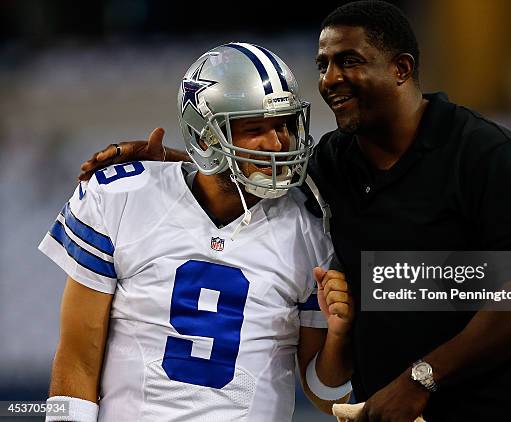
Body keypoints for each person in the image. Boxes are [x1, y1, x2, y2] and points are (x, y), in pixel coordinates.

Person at [79, 2, 511, 421]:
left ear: (400, 69)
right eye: (323, 64)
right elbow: (258, 163)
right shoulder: (335, 160)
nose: (330, 79)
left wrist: (421, 378)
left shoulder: (488, 155)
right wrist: (178, 158)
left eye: (349, 61)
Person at [40, 43, 355, 422]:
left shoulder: (310, 230)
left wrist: (338, 334)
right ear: (205, 136)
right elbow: (77, 359)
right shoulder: (120, 198)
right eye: (255, 129)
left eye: (284, 124)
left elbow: (326, 398)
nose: (277, 143)